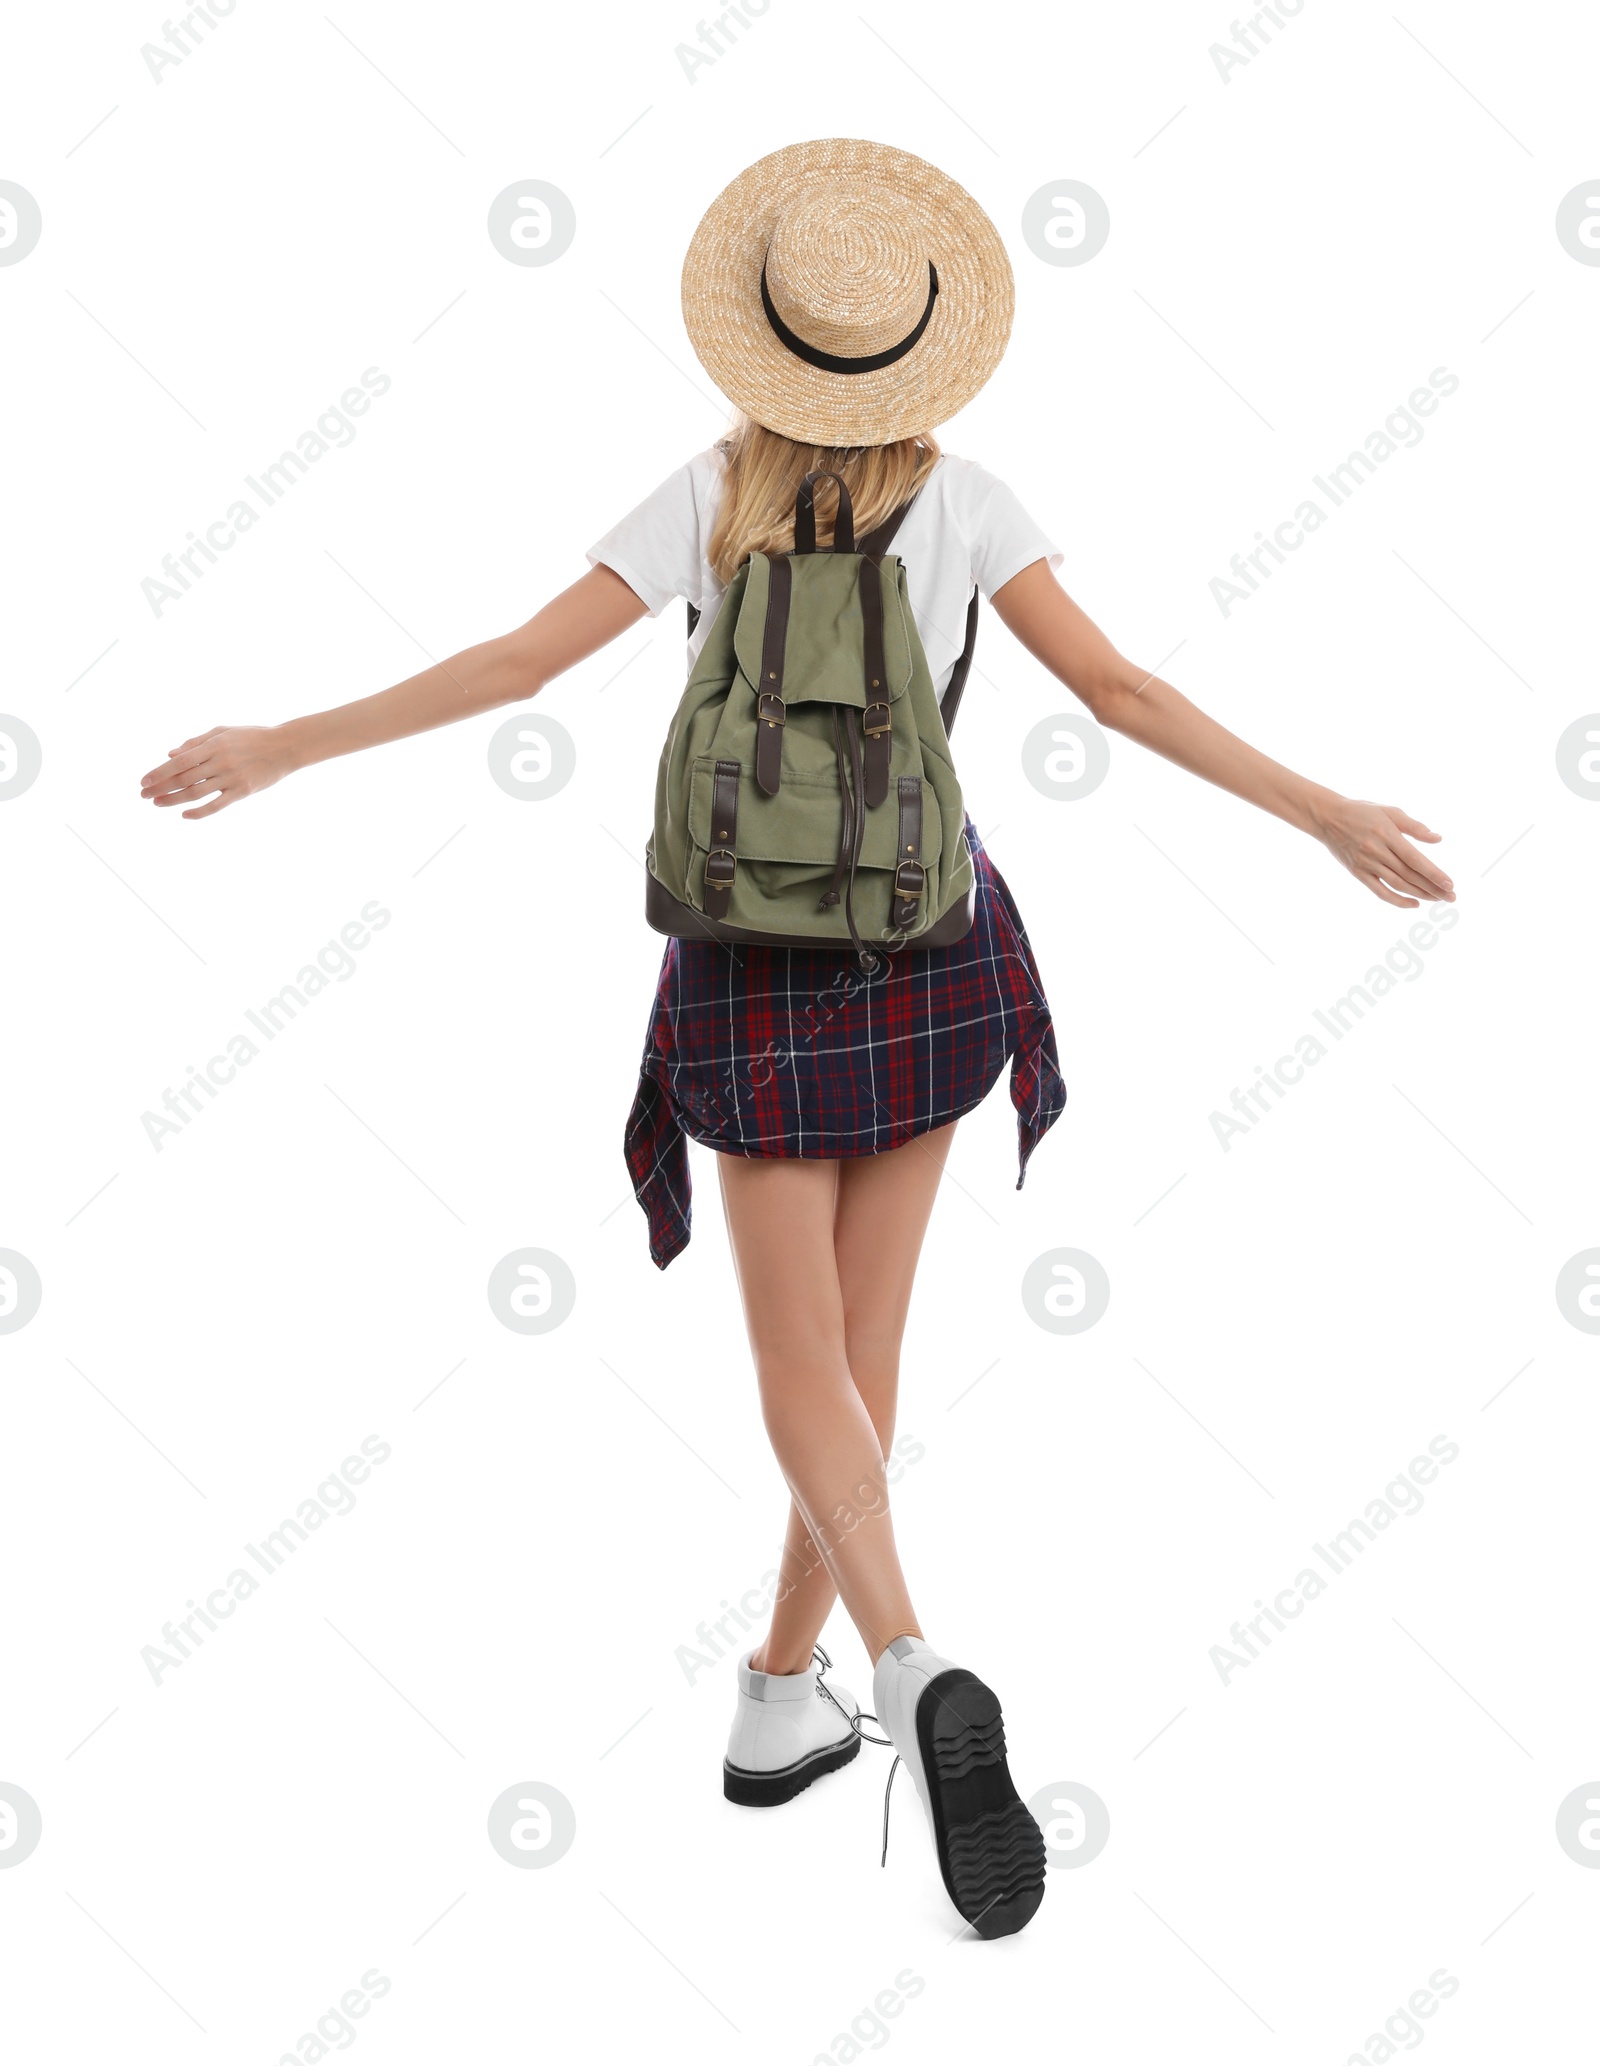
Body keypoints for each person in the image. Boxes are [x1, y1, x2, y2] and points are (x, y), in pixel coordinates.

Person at [140, 137, 1454, 1941]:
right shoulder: (974, 500)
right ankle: (822, 1683)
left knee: (796, 1359)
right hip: (928, 951)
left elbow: (517, 667)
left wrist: (285, 739)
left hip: (751, 972)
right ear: (922, 342)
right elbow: (1125, 693)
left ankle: (862, 1668)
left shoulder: (709, 491)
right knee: (869, 1347)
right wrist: (1321, 812)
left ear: (761, 339)